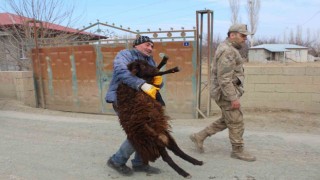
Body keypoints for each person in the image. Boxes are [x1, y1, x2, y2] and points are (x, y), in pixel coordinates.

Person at [189, 24, 256, 162]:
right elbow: (224, 78)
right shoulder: (228, 51)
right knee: (236, 120)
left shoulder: (229, 48)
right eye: (243, 36)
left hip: (225, 91)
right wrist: (233, 98)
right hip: (225, 93)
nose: (245, 39)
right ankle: (238, 150)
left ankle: (199, 136)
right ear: (232, 35)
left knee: (228, 118)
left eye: (246, 36)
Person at [105, 36, 163, 176]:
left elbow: (153, 82)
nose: (150, 48)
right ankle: (117, 160)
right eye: (147, 45)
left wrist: (158, 82)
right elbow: (122, 72)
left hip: (142, 101)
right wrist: (141, 84)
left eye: (152, 46)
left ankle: (139, 163)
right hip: (124, 100)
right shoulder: (125, 55)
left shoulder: (150, 60)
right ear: (137, 45)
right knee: (139, 131)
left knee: (148, 130)